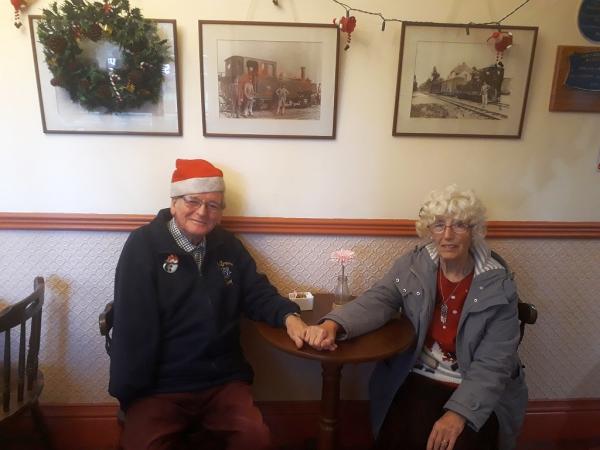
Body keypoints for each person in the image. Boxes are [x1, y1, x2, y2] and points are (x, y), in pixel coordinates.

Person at [304, 185, 527, 450]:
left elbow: (494, 363)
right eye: (439, 225)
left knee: (460, 442)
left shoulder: (498, 285)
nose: (447, 235)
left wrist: (458, 414)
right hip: (418, 372)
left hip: (472, 383)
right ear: (429, 230)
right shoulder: (414, 265)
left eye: (459, 225)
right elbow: (380, 298)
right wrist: (334, 323)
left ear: (473, 231)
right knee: (403, 435)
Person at [109, 158, 307, 450]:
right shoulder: (143, 245)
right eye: (193, 201)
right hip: (159, 385)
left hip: (222, 381)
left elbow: (257, 292)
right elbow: (131, 326)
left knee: (255, 439)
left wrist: (290, 316)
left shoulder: (228, 245)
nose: (202, 212)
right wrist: (130, 394)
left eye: (213, 205)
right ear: (174, 203)